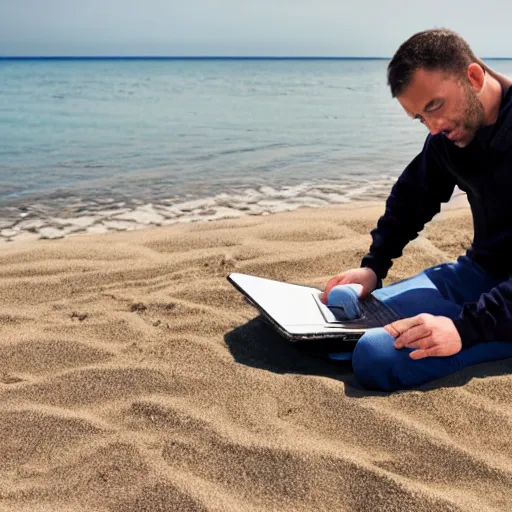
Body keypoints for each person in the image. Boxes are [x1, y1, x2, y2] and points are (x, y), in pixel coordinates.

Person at [321, 28, 512, 392]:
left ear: (473, 77)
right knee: (337, 323)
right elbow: (413, 197)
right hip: (478, 273)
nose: (434, 126)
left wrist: (463, 330)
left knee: (374, 355)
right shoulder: (450, 134)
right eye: (420, 118)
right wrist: (373, 266)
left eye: (435, 106)